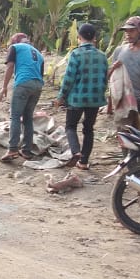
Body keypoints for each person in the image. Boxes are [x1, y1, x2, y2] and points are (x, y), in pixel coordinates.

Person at [56, 23, 109, 170]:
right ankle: (84, 162)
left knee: (70, 127)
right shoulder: (102, 56)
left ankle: (76, 152)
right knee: (89, 129)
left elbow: (68, 79)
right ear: (94, 38)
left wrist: (61, 97)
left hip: (77, 98)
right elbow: (105, 79)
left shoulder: (76, 54)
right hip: (95, 99)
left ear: (79, 37)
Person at [0, 32, 45, 162]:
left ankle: (12, 148)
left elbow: (10, 66)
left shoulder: (15, 47)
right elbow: (41, 74)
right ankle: (27, 150)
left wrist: (4, 87)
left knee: (15, 116)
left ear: (15, 41)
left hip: (23, 83)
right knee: (28, 118)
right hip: (38, 86)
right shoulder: (39, 54)